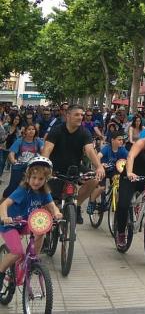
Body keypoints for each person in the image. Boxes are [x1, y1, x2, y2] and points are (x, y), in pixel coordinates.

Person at [0, 157, 62, 287]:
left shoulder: (44, 192)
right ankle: (1, 273)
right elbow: (4, 204)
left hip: (25, 223)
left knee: (41, 231)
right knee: (17, 252)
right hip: (10, 225)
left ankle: (33, 257)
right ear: (28, 177)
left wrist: (56, 212)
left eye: (40, 179)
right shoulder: (22, 191)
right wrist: (5, 217)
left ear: (46, 180)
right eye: (33, 177)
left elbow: (52, 205)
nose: (36, 181)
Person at [42, 104, 105, 224]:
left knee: (95, 179)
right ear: (68, 116)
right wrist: (44, 167)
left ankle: (76, 205)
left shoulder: (84, 132)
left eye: (82, 115)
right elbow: (47, 149)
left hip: (75, 168)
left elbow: (90, 150)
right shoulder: (56, 130)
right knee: (53, 206)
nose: (80, 117)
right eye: (77, 114)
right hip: (56, 169)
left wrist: (99, 166)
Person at [87, 131, 129, 214]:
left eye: (122, 140)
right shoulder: (107, 148)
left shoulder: (122, 150)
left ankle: (116, 201)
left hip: (114, 171)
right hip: (103, 170)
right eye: (119, 139)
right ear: (113, 140)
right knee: (101, 188)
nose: (121, 141)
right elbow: (98, 156)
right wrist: (100, 165)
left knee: (118, 184)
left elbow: (129, 158)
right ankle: (91, 202)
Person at [2, 125, 43, 200]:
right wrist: (13, 160)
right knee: (13, 187)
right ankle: (2, 202)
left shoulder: (38, 141)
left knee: (32, 187)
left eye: (33, 129)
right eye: (29, 129)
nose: (31, 131)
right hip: (19, 167)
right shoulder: (20, 140)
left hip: (32, 169)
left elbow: (43, 150)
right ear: (25, 132)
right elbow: (11, 153)